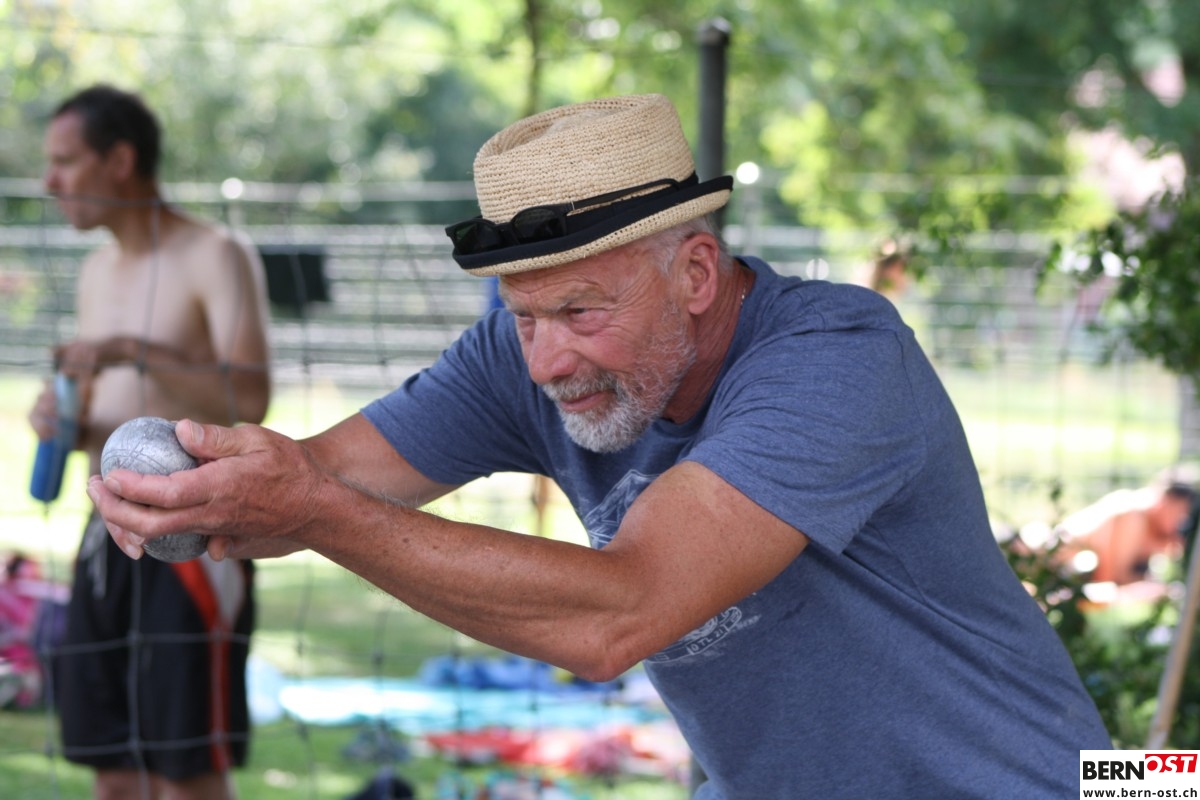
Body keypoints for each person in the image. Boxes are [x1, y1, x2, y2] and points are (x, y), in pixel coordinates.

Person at [88, 94, 1111, 798]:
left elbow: (620, 613)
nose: (545, 360)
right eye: (522, 314)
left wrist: (312, 510)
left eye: (581, 310)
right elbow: (313, 483)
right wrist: (201, 498)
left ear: (696, 273)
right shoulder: (525, 355)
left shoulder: (839, 356)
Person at [30, 84, 271, 800]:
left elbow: (249, 399)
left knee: (185, 773)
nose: (49, 182)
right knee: (110, 768)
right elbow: (122, 412)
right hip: (104, 532)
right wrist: (65, 425)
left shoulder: (216, 253)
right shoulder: (96, 268)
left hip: (192, 537)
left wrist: (132, 350)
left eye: (64, 161)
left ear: (120, 161)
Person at [1054, 470, 1197, 592]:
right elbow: (1109, 580)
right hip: (1053, 570)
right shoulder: (1133, 514)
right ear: (1166, 501)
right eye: (1179, 513)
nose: (1180, 521)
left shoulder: (1149, 524)